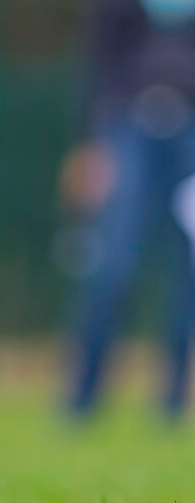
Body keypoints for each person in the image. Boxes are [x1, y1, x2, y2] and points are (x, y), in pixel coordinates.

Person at [63, 0, 195, 419]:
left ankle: (173, 405)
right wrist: (90, 145)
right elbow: (98, 62)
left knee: (188, 274)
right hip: (127, 126)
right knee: (112, 267)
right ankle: (82, 400)